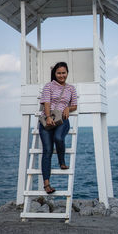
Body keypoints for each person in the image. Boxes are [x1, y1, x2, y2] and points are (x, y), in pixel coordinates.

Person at [39, 62, 77, 194]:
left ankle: (62, 161)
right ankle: (47, 184)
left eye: (64, 73)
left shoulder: (71, 88)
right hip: (47, 121)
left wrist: (68, 108)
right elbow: (46, 102)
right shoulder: (48, 86)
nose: (62, 75)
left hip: (62, 120)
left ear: (67, 73)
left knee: (58, 138)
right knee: (47, 151)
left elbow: (74, 105)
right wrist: (48, 116)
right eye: (59, 73)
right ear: (54, 74)